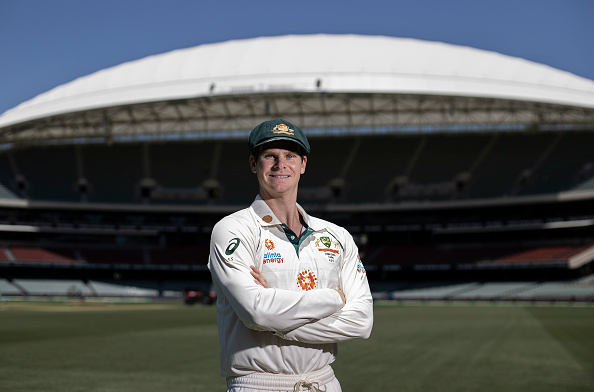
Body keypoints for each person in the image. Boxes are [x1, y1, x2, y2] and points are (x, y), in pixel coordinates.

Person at [208, 119, 373, 392]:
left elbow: (361, 322)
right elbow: (257, 312)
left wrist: (276, 320)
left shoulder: (337, 236)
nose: (280, 165)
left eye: (290, 156)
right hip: (258, 385)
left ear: (303, 165)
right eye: (269, 156)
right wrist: (333, 299)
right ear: (253, 164)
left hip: (324, 382)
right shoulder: (233, 229)